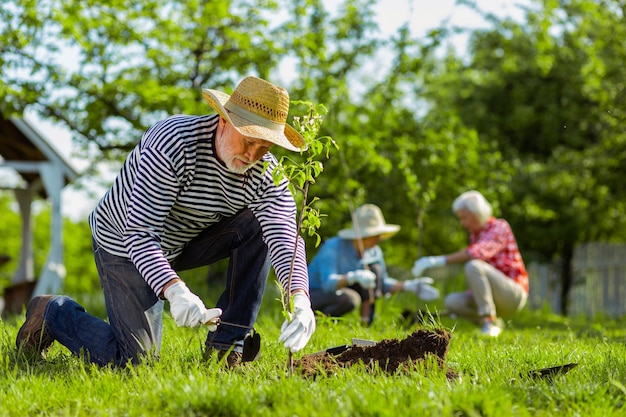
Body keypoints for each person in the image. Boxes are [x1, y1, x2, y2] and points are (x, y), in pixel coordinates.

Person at [16, 76, 316, 367]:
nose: (252, 155)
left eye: (264, 147)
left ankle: (227, 349)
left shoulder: (265, 172)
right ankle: (53, 312)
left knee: (260, 225)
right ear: (224, 120)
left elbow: (284, 235)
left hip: (186, 239)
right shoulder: (173, 143)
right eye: (248, 141)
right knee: (135, 362)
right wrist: (176, 291)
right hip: (124, 241)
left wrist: (301, 300)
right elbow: (139, 233)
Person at [411, 190, 529, 337]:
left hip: (512, 294)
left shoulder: (499, 227)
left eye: (464, 218)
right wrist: (440, 314)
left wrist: (437, 261)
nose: (462, 223)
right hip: (495, 298)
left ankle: (489, 321)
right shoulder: (475, 235)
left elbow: (477, 253)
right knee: (452, 301)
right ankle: (494, 324)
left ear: (477, 213)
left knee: (473, 265)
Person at [308, 204, 440, 325]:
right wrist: (352, 277)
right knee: (350, 298)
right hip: (314, 294)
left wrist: (409, 286)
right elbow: (328, 284)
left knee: (375, 269)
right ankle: (315, 320)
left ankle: (365, 322)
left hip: (340, 293)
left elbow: (382, 284)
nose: (379, 238)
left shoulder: (374, 252)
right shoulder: (333, 248)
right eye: (375, 234)